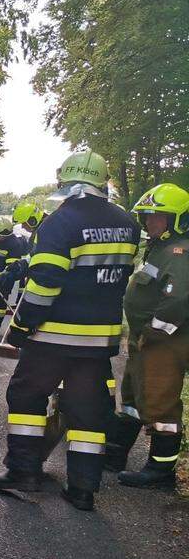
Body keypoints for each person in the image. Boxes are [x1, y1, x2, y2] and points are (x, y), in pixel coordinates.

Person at [0, 150, 140, 511]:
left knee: (26, 397)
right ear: (102, 181)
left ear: (65, 181)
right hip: (99, 338)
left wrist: (22, 326)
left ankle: (24, 472)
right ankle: (83, 489)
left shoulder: (60, 222)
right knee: (87, 412)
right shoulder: (127, 223)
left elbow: (45, 283)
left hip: (53, 337)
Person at [104, 183, 189, 487]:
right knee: (132, 397)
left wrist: (155, 330)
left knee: (160, 404)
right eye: (147, 216)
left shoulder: (179, 252)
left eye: (157, 216)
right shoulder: (159, 249)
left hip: (164, 342)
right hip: (146, 340)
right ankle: (115, 455)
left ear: (176, 219)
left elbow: (177, 300)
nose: (149, 222)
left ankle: (160, 472)